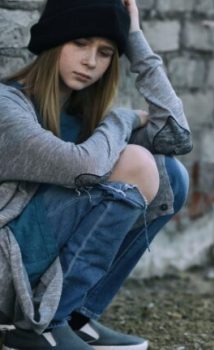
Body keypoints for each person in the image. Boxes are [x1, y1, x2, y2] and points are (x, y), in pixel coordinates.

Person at [0, 0, 192, 349]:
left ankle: (76, 316)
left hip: (30, 258)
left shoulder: (81, 115)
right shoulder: (7, 106)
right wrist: (121, 119)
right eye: (80, 44)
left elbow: (176, 134)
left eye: (105, 52)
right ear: (54, 42)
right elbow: (83, 167)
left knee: (170, 176)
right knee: (135, 161)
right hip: (4, 268)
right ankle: (39, 327)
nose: (91, 62)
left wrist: (134, 40)